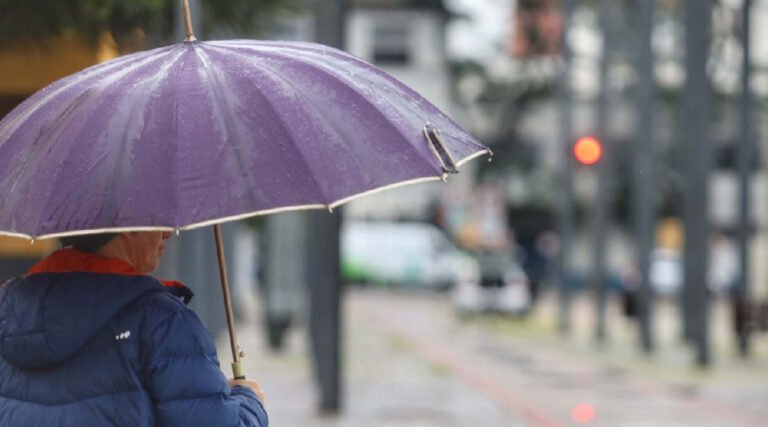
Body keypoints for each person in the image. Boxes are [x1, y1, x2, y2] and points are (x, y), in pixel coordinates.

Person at [0, 231, 268, 427]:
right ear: (127, 227)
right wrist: (249, 402)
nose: (167, 233)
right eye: (157, 221)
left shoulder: (8, 313)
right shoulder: (161, 323)